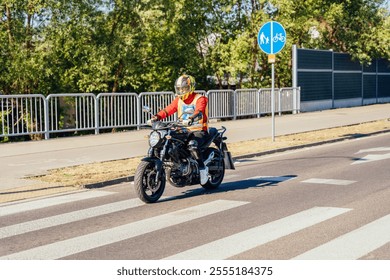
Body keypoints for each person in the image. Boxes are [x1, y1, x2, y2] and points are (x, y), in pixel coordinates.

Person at [148, 74, 209, 184]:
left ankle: (202, 168)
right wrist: (156, 117)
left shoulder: (200, 98)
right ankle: (176, 163)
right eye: (179, 89)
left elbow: (199, 110)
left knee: (192, 144)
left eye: (184, 88)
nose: (181, 91)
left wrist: (192, 117)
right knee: (168, 140)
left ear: (191, 88)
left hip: (198, 130)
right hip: (183, 129)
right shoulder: (178, 100)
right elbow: (168, 110)